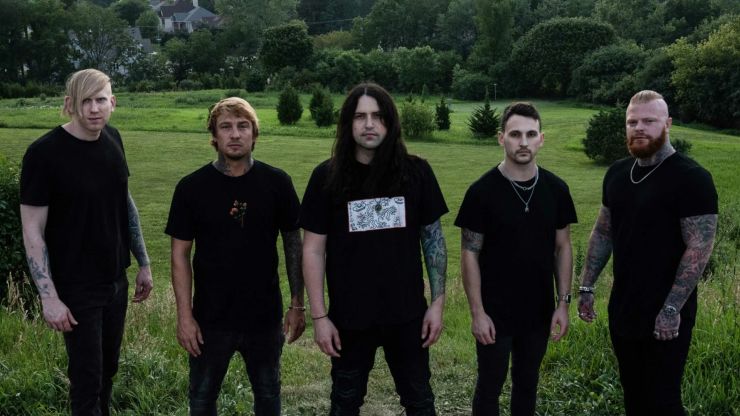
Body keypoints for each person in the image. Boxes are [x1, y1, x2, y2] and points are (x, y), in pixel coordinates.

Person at [300, 82, 448, 416]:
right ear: (348, 123)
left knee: (420, 403)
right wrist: (320, 317)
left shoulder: (417, 172)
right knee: (344, 404)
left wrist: (437, 305)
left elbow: (434, 241)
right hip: (350, 319)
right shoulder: (326, 177)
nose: (369, 124)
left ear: (390, 122)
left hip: (407, 315)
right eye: (360, 116)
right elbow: (313, 250)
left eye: (378, 116)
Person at [19, 68, 153, 416]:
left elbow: (125, 202)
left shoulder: (113, 138)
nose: (94, 109)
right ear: (70, 104)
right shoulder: (44, 154)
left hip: (115, 280)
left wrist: (143, 261)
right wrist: (49, 297)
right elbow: (32, 230)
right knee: (87, 379)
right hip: (77, 286)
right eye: (85, 101)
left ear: (113, 102)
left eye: (101, 100)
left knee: (108, 370)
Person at [577, 90, 717, 416]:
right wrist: (586, 286)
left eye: (649, 121)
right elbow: (603, 232)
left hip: (666, 310)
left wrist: (671, 308)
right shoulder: (617, 173)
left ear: (668, 124)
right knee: (633, 393)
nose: (639, 127)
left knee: (663, 399)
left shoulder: (692, 178)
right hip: (623, 305)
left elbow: (699, 246)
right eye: (632, 122)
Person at [165, 97, 305, 416]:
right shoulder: (191, 188)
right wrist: (184, 317)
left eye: (243, 126)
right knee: (202, 399)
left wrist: (297, 304)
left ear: (255, 134)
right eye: (226, 127)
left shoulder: (277, 183)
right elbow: (179, 255)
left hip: (264, 317)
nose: (235, 134)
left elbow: (294, 245)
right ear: (214, 136)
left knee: (268, 396)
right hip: (210, 319)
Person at [455, 102, 577, 415]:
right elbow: (469, 253)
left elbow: (563, 247)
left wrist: (563, 304)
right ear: (501, 138)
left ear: (541, 139)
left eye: (531, 134)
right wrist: (477, 312)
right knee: (489, 386)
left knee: (527, 383)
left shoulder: (557, 189)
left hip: (538, 310)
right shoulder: (481, 192)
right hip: (494, 312)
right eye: (515, 134)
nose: (523, 142)